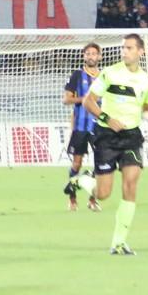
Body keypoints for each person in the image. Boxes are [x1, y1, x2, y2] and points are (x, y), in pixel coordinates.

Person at [79, 33, 148, 255]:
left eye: (130, 48)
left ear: (140, 52)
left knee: (131, 184)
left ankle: (119, 241)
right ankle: (85, 180)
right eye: (123, 48)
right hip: (106, 135)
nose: (125, 51)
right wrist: (107, 119)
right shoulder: (110, 73)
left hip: (131, 136)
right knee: (103, 193)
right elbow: (88, 101)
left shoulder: (147, 80)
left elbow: (144, 108)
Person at [61, 42, 103, 212]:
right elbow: (66, 99)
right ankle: (72, 198)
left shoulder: (104, 77)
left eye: (94, 53)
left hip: (99, 127)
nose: (91, 56)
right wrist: (85, 100)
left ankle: (92, 200)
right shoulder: (77, 75)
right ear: (84, 56)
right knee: (76, 164)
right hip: (80, 127)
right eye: (88, 54)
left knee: (101, 164)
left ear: (99, 56)